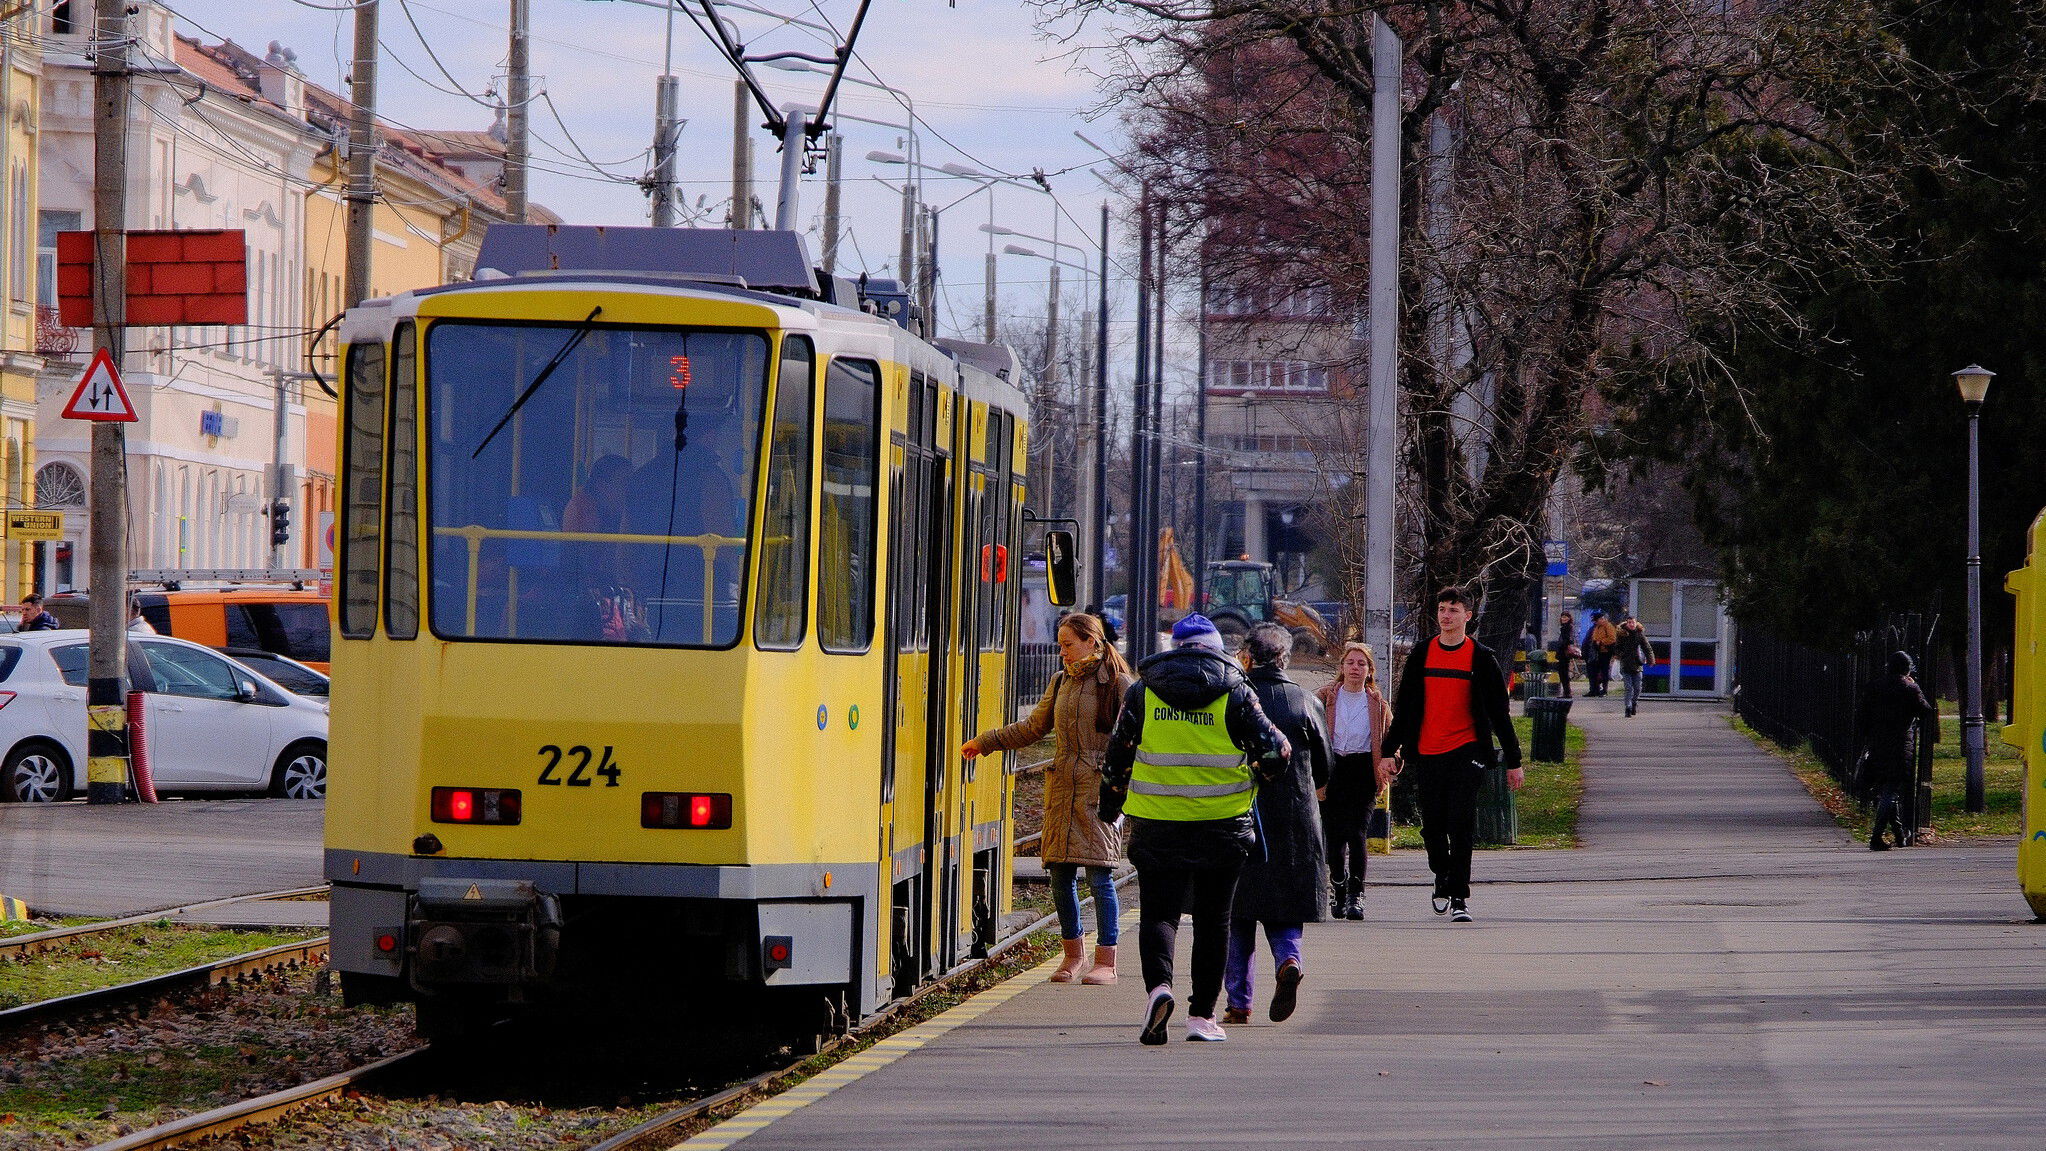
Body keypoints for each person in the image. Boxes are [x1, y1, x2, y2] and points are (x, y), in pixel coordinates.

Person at [1100, 612, 1290, 1045]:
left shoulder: (1143, 692)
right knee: (1213, 920)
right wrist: (1257, 775)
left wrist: (1110, 808)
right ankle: (1202, 1017)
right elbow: (1278, 752)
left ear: (1176, 647)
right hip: (1222, 826)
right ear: (1216, 647)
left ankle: (1159, 989)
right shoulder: (1237, 692)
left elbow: (1117, 756)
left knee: (1159, 913)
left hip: (1156, 823)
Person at [961, 612, 1134, 984]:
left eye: (1068, 645)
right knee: (1060, 875)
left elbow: (1137, 739)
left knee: (1100, 875)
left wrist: (1122, 786)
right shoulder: (1061, 683)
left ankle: (1107, 961)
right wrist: (986, 742)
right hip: (1062, 791)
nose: (1062, 653)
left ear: (1092, 641)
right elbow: (1032, 728)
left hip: (1099, 791)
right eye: (1059, 646)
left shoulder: (1119, 684)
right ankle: (1073, 955)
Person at [1380, 587, 1523, 923]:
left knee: (1460, 823)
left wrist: (1514, 761)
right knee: (1432, 826)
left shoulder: (1481, 657)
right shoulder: (1422, 653)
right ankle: (1442, 873)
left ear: (1468, 616)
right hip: (1428, 752)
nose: (1446, 616)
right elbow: (1406, 708)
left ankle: (1459, 895)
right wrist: (1389, 750)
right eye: (1442, 609)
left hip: (1467, 751)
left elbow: (1499, 714)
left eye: (1453, 610)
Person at [1222, 623, 1330, 1027]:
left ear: (1247, 658)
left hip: (1241, 816)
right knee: (1285, 906)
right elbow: (1325, 767)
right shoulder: (1305, 701)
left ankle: (1238, 1003)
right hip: (1295, 821)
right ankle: (1289, 959)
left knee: (1238, 913)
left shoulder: (1232, 701)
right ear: (1285, 658)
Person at [1315, 641, 1395, 920]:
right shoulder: (1324, 697)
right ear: (1341, 667)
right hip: (1332, 768)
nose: (1355, 668)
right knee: (1334, 836)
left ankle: (1356, 895)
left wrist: (1392, 762)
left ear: (1370, 671)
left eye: (1362, 664)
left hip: (1363, 770)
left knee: (1358, 833)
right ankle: (1338, 884)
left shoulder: (1377, 704)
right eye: (1350, 663)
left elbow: (1391, 741)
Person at [1860, 651, 1937, 850]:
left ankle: (1900, 834)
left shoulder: (1874, 687)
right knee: (1891, 790)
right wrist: (1914, 686)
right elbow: (1926, 711)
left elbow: (1863, 716)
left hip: (1877, 744)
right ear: (1907, 669)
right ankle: (1876, 836)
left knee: (1887, 788)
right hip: (1900, 744)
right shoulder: (1909, 688)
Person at [1614, 612, 1655, 717]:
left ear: (1636, 623)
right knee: (1628, 687)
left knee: (1637, 687)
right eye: (1629, 622)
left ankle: (1634, 702)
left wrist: (1651, 659)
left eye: (1633, 622)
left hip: (1637, 664)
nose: (1631, 624)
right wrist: (1620, 654)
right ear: (1626, 623)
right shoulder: (1621, 634)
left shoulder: (1639, 634)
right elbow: (1616, 648)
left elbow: (1647, 647)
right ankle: (1627, 707)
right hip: (1626, 664)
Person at [1586, 610, 1618, 697]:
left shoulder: (1608, 626)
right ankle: (1595, 689)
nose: (1595, 623)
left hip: (1605, 652)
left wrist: (1601, 642)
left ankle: (1604, 689)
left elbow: (1612, 639)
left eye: (1596, 620)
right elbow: (1594, 637)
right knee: (1595, 671)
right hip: (1597, 652)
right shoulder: (1597, 627)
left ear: (1601, 619)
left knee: (1604, 671)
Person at [1549, 609, 1577, 698]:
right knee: (1563, 673)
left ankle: (1567, 692)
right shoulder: (1565, 627)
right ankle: (1566, 692)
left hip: (1564, 654)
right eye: (1562, 617)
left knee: (1563, 673)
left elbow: (1568, 640)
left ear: (1569, 618)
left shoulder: (1567, 627)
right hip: (1563, 653)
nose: (1563, 618)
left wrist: (1562, 645)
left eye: (1566, 617)